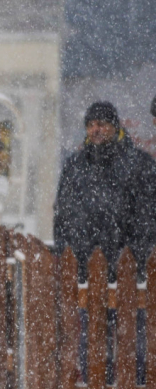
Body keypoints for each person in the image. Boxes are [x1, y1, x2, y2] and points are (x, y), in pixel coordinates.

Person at [54, 102, 156, 280]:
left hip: (128, 273)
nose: (95, 130)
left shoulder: (140, 165)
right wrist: (65, 249)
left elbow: (147, 216)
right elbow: (62, 214)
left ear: (114, 127)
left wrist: (139, 256)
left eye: (101, 124)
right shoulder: (74, 166)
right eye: (90, 125)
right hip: (82, 269)